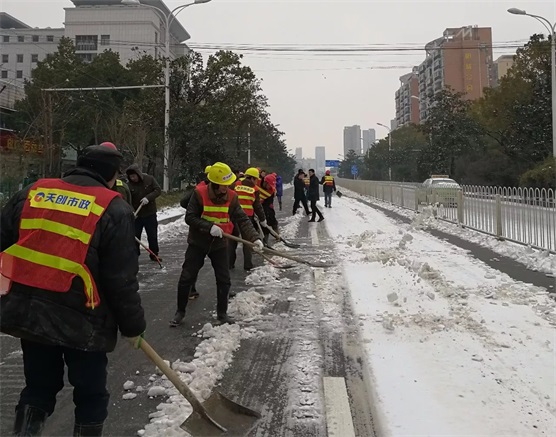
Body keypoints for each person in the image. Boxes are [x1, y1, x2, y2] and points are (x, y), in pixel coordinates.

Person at [0, 145, 146, 437]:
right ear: (110, 175)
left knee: (38, 387)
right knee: (90, 393)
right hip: (84, 319)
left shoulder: (33, 192)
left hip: (32, 311)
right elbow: (120, 279)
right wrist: (133, 326)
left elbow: (4, 242)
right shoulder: (114, 207)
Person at [171, 162, 263, 327]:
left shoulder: (232, 196)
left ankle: (222, 314)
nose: (227, 188)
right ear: (214, 183)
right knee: (187, 277)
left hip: (219, 244)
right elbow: (190, 217)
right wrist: (208, 227)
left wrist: (255, 238)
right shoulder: (199, 194)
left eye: (229, 184)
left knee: (224, 279)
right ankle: (180, 312)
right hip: (198, 242)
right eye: (223, 185)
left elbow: (243, 219)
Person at [179, 166, 212, 300]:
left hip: (216, 234)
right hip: (200, 232)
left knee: (221, 265)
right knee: (193, 264)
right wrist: (195, 209)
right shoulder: (199, 189)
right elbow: (183, 202)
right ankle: (190, 289)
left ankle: (225, 290)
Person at [229, 167, 268, 271]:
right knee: (247, 242)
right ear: (252, 178)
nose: (256, 182)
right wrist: (263, 219)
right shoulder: (255, 189)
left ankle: (229, 264)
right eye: (256, 179)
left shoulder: (235, 185)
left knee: (232, 241)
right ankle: (248, 265)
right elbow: (258, 206)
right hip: (246, 219)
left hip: (233, 217)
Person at [126, 164, 162, 262]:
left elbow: (158, 190)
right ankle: (135, 255)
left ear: (138, 174)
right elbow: (128, 200)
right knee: (135, 236)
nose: (133, 178)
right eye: (131, 177)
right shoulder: (129, 185)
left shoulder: (149, 179)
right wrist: (133, 211)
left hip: (150, 213)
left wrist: (148, 198)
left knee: (152, 235)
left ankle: (154, 254)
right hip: (137, 215)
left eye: (134, 176)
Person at [259, 173, 278, 247]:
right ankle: (259, 241)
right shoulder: (257, 184)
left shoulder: (271, 190)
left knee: (271, 220)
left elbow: (269, 200)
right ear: (265, 182)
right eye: (269, 185)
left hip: (268, 206)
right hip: (257, 206)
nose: (270, 187)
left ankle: (276, 235)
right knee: (257, 225)